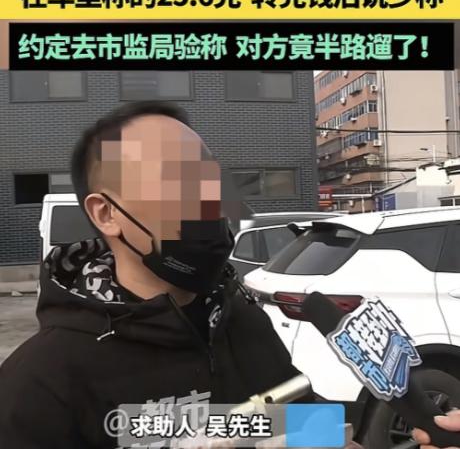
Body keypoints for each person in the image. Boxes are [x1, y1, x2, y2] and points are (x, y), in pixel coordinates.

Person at [0, 101, 360, 449]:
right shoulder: (40, 382)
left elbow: (295, 422)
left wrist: (332, 439)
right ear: (106, 214)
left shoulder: (243, 320)